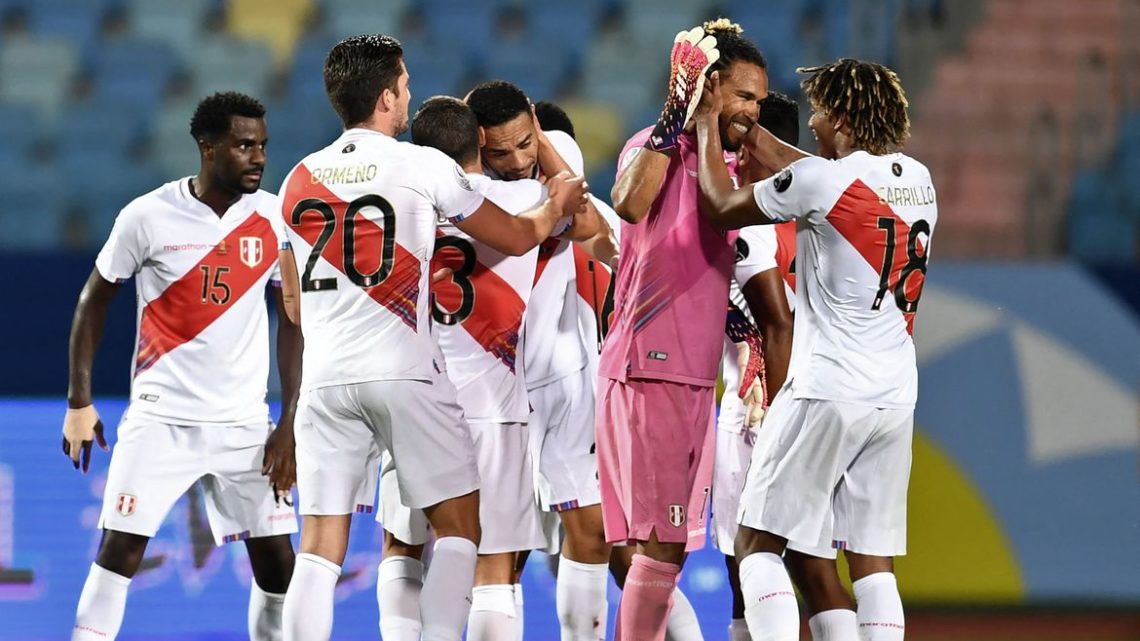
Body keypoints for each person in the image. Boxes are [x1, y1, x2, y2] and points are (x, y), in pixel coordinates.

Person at [276, 35, 588, 641]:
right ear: (388, 96)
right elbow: (518, 235)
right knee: (460, 530)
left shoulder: (297, 178)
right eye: (406, 82)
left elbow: (291, 304)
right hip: (406, 374)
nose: (409, 91)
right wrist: (555, 208)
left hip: (324, 380)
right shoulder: (422, 166)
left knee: (318, 548)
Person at [694, 58, 935, 641]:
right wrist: (756, 134)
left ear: (846, 119)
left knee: (756, 542)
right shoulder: (919, 179)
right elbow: (828, 180)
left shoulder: (822, 183)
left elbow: (720, 207)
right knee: (873, 563)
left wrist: (707, 125)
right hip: (894, 395)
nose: (818, 121)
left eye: (824, 111)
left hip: (826, 387)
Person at [62, 91, 301, 641]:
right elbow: (93, 301)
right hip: (161, 420)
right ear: (207, 147)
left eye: (263, 146)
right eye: (244, 146)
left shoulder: (272, 219)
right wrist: (79, 402)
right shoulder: (147, 216)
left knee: (279, 566)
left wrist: (288, 422)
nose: (259, 158)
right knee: (119, 549)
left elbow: (294, 318)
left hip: (244, 424)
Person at [374, 95, 581, 641]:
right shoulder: (524, 199)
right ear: (481, 143)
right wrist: (544, 144)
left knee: (403, 546)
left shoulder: (396, 208)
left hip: (417, 398)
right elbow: (579, 212)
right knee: (493, 569)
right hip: (495, 409)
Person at [600, 19, 768, 639]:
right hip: (650, 364)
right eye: (744, 95)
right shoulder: (654, 144)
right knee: (661, 546)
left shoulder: (733, 168)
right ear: (711, 87)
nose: (753, 110)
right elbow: (627, 203)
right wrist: (677, 117)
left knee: (659, 547)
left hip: (694, 375)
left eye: (758, 99)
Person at [466, 81, 619, 641]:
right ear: (476, 143)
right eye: (499, 152)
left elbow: (584, 220)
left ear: (538, 128)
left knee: (593, 531)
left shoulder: (557, 153)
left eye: (525, 144)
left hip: (564, 381)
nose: (516, 162)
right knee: (501, 553)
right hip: (493, 388)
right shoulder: (460, 186)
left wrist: (542, 144)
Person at [711, 91, 799, 641]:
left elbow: (776, 322)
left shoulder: (753, 221)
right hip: (812, 397)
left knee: (746, 557)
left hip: (758, 404)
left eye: (743, 142)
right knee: (807, 563)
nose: (735, 157)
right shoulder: (824, 216)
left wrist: (773, 406)